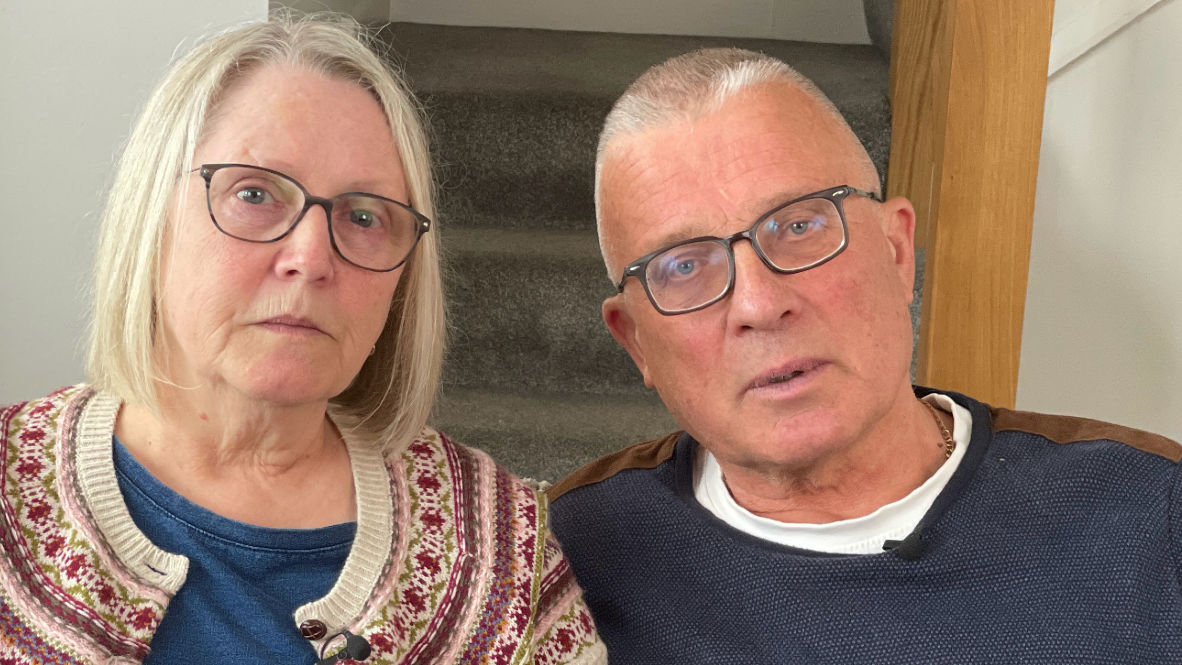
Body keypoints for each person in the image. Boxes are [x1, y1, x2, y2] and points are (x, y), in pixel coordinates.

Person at [0, 16, 604, 665]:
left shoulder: (507, 553)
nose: (312, 256)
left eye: (365, 215)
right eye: (255, 192)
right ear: (152, 215)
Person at [547, 47, 1182, 663]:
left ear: (897, 251)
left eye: (798, 226)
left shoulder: (1153, 511)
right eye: (684, 266)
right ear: (634, 341)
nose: (760, 305)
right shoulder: (555, 564)